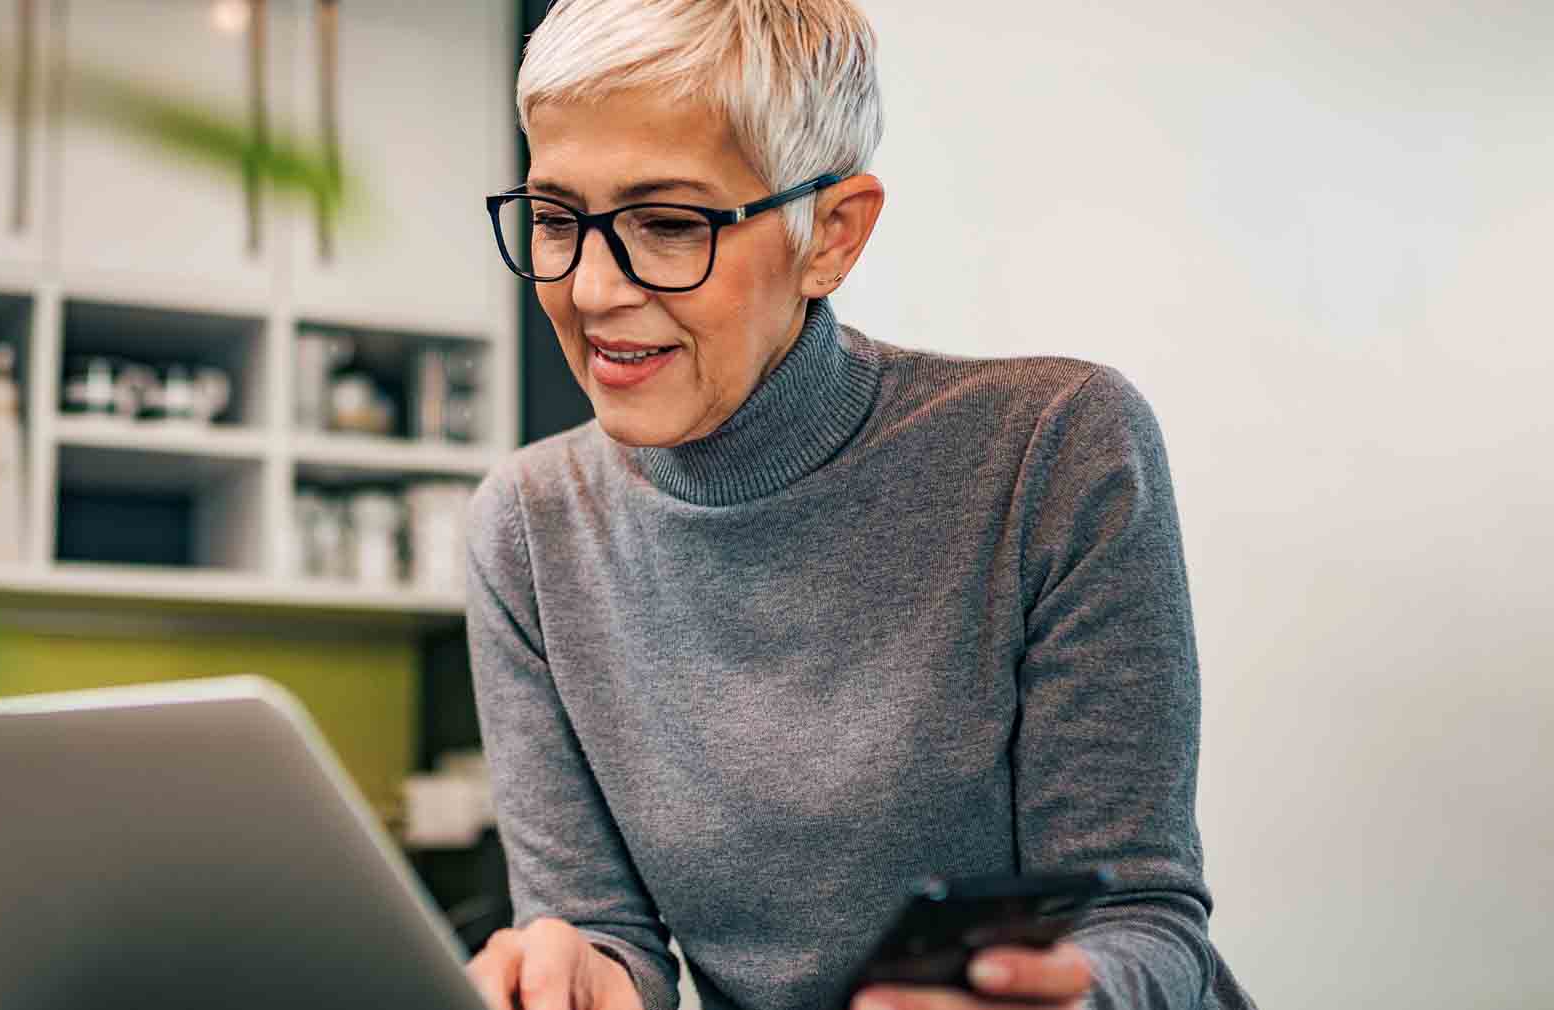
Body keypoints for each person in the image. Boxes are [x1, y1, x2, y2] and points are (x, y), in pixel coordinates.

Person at [462, 3, 1255, 1009]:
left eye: (667, 224)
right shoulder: (529, 528)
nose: (590, 289)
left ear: (830, 235)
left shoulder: (1054, 446)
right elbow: (608, 938)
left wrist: (1072, 993)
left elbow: (1143, 917)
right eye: (555, 218)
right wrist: (581, 971)